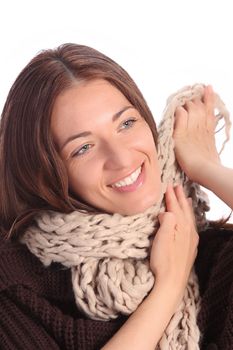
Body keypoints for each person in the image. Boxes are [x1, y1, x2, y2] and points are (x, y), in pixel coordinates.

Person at [0, 43, 233, 350]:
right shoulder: (16, 285)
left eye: (126, 123)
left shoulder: (214, 258)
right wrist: (169, 287)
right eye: (83, 148)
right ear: (43, 175)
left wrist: (207, 168)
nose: (121, 159)